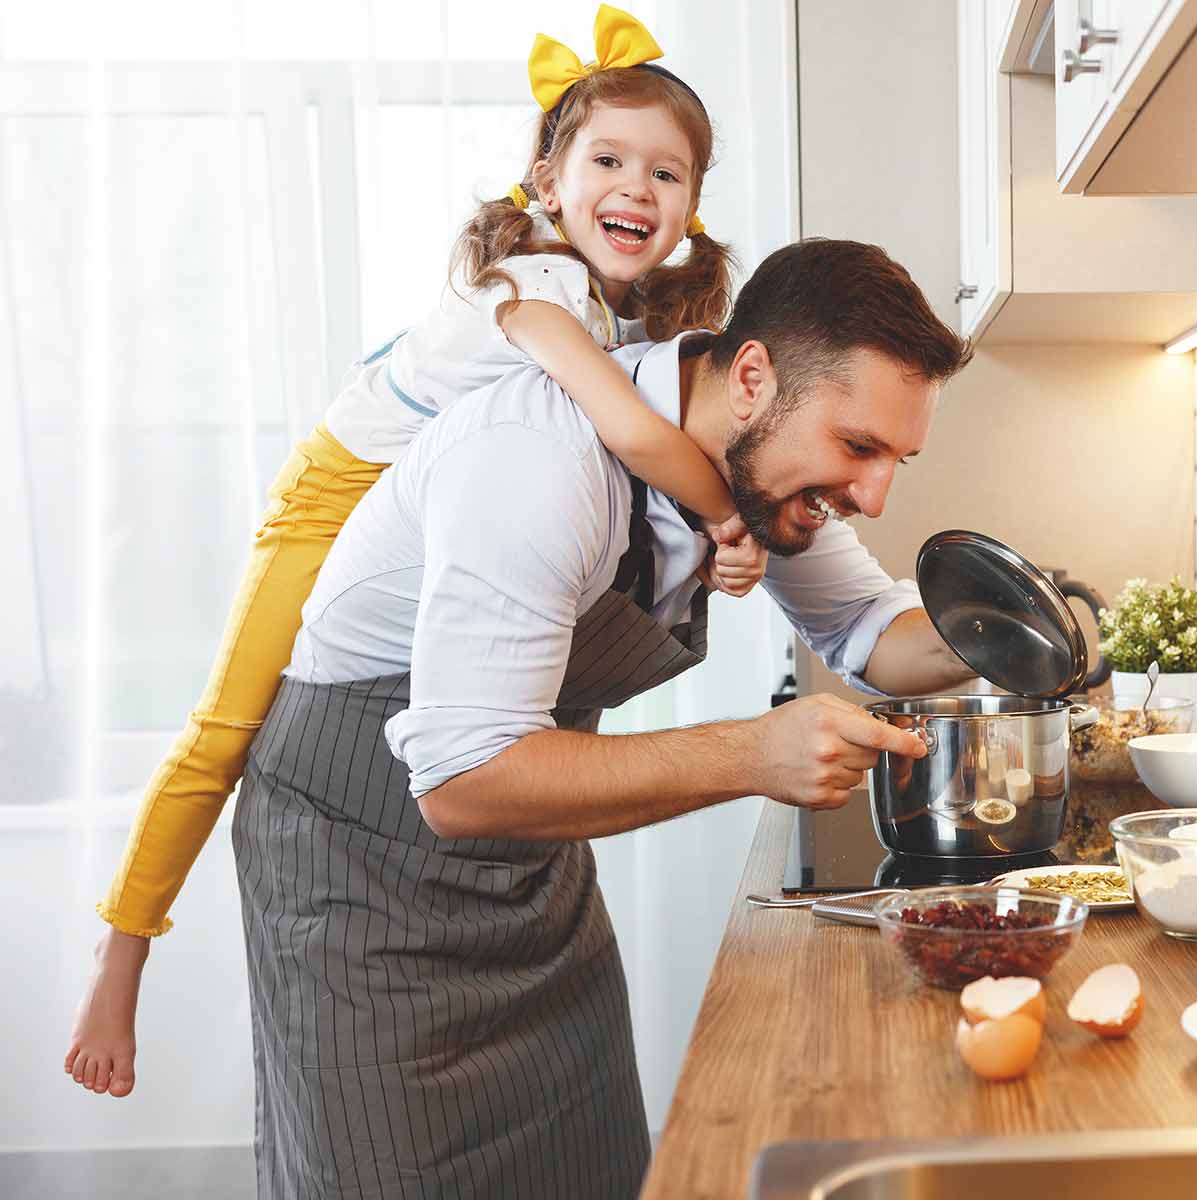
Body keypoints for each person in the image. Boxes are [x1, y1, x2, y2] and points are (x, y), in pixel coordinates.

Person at [66, 4, 763, 1100]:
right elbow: (634, 436)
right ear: (545, 179)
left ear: (690, 208)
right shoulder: (537, 285)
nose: (637, 187)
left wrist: (711, 548)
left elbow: (632, 475)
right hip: (336, 491)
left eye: (667, 173)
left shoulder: (629, 323)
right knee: (227, 727)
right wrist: (734, 517)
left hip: (413, 509)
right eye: (608, 159)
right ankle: (120, 956)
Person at [233, 233, 975, 1197]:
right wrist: (753, 754)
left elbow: (874, 632)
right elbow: (463, 783)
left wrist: (1029, 629)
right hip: (360, 875)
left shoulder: (751, 470)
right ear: (752, 375)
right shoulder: (539, 460)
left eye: (894, 458)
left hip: (529, 870)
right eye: (858, 447)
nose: (873, 494)